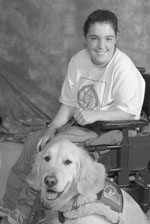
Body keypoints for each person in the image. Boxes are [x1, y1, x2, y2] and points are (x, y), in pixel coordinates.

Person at [0, 9, 145, 224]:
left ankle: (25, 211)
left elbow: (129, 112)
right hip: (84, 124)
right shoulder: (79, 61)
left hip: (114, 128)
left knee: (50, 148)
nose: (101, 45)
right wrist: (51, 127)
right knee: (34, 141)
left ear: (116, 38)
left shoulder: (123, 69)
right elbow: (68, 104)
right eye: (94, 38)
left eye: (108, 38)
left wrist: (94, 114)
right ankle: (11, 205)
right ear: (85, 38)